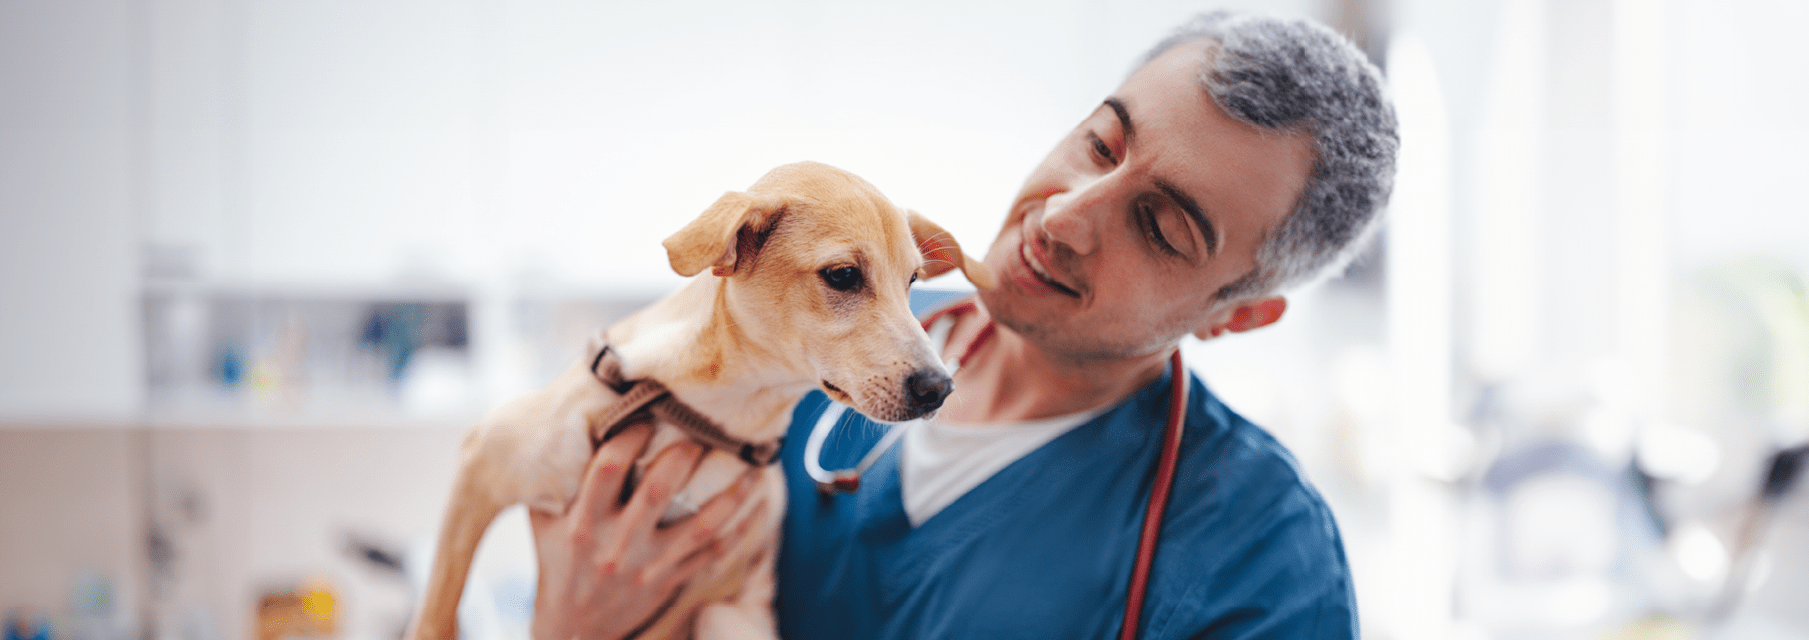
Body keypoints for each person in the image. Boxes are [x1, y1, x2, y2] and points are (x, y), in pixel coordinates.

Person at [529, 10, 1397, 640]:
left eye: (1160, 227)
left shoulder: (1260, 561)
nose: (1063, 216)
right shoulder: (815, 329)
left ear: (1239, 316)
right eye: (1100, 142)